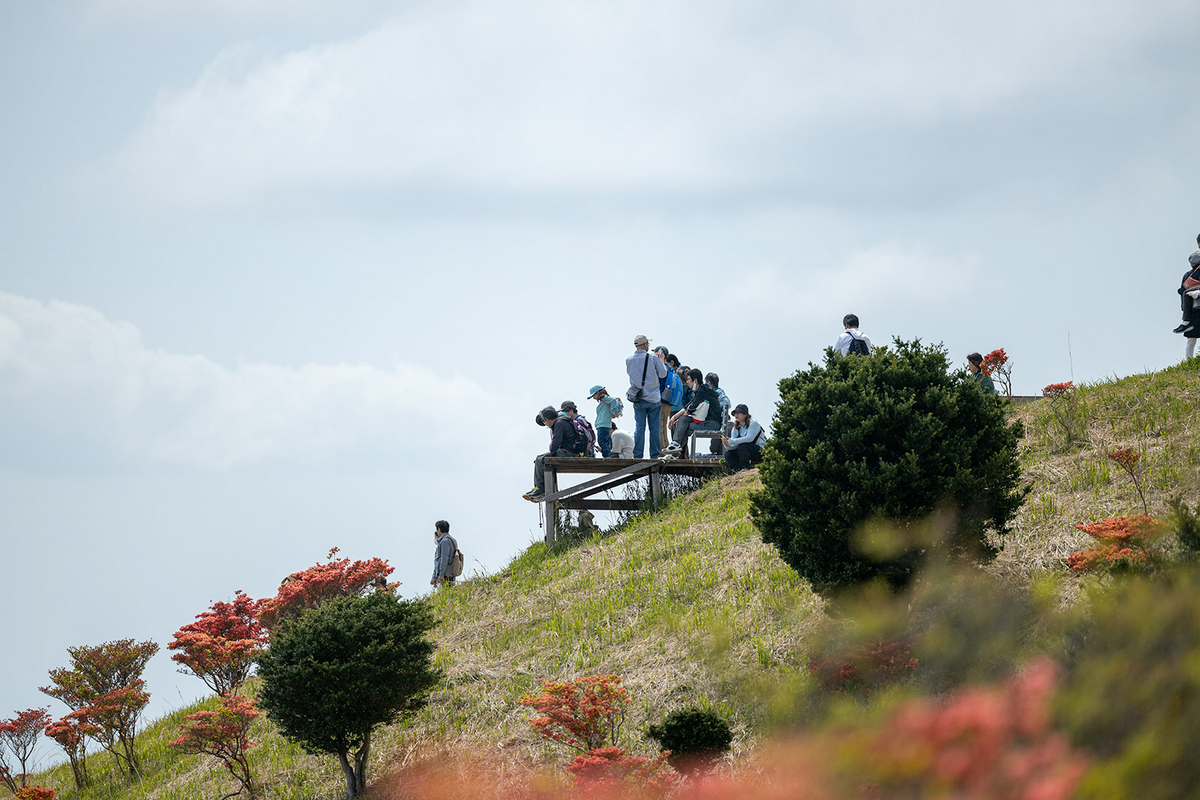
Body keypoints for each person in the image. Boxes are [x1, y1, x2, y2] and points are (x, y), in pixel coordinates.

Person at [523, 407, 581, 502]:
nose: (546, 424)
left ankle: (540, 489)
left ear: (547, 419)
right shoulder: (564, 420)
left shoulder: (558, 423)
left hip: (569, 453)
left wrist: (551, 455)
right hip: (574, 451)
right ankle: (541, 487)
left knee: (540, 459)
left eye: (545, 422)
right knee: (540, 460)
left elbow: (556, 442)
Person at [663, 368, 723, 459]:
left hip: (712, 424)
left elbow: (691, 409)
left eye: (688, 380)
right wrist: (674, 417)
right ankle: (675, 449)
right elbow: (687, 407)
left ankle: (675, 450)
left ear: (695, 380)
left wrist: (678, 420)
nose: (687, 382)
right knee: (683, 421)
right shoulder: (700, 390)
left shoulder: (703, 389)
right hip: (706, 422)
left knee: (684, 426)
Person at [626, 334, 668, 459]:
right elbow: (663, 374)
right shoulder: (652, 358)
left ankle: (638, 455)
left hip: (638, 398)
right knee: (654, 429)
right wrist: (661, 360)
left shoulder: (628, 360)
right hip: (653, 398)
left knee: (639, 428)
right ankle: (654, 456)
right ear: (644, 344)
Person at [1174, 235, 1200, 358]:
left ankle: (1189, 360)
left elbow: (1182, 292)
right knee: (1192, 337)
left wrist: (1184, 310)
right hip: (1197, 307)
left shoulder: (1187, 275)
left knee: (1191, 338)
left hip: (1191, 310)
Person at [723, 404, 766, 472]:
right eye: (735, 413)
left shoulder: (753, 423)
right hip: (745, 452)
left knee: (743, 445)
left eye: (738, 413)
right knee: (728, 454)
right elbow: (735, 446)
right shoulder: (735, 428)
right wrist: (728, 445)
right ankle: (738, 470)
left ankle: (744, 467)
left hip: (760, 452)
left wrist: (732, 441)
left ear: (745, 414)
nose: (736, 415)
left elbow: (749, 438)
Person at [654, 347, 681, 451]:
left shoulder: (662, 367)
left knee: (659, 427)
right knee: (663, 427)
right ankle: (664, 448)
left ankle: (661, 450)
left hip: (660, 401)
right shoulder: (670, 369)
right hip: (668, 403)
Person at [588, 385, 622, 457]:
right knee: (604, 442)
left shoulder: (605, 398)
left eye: (593, 395)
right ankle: (607, 456)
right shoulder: (603, 400)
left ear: (597, 392)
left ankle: (607, 457)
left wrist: (613, 412)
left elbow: (613, 401)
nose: (593, 398)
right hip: (603, 425)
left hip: (603, 425)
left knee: (602, 442)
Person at [705, 372, 732, 455]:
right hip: (713, 421)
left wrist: (713, 407)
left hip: (714, 422)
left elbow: (727, 403)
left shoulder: (718, 392)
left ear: (709, 383)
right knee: (713, 448)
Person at [430, 520, 457, 586]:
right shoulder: (452, 540)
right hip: (450, 573)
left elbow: (444, 558)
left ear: (439, 529)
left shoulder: (445, 541)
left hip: (445, 575)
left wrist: (441, 574)